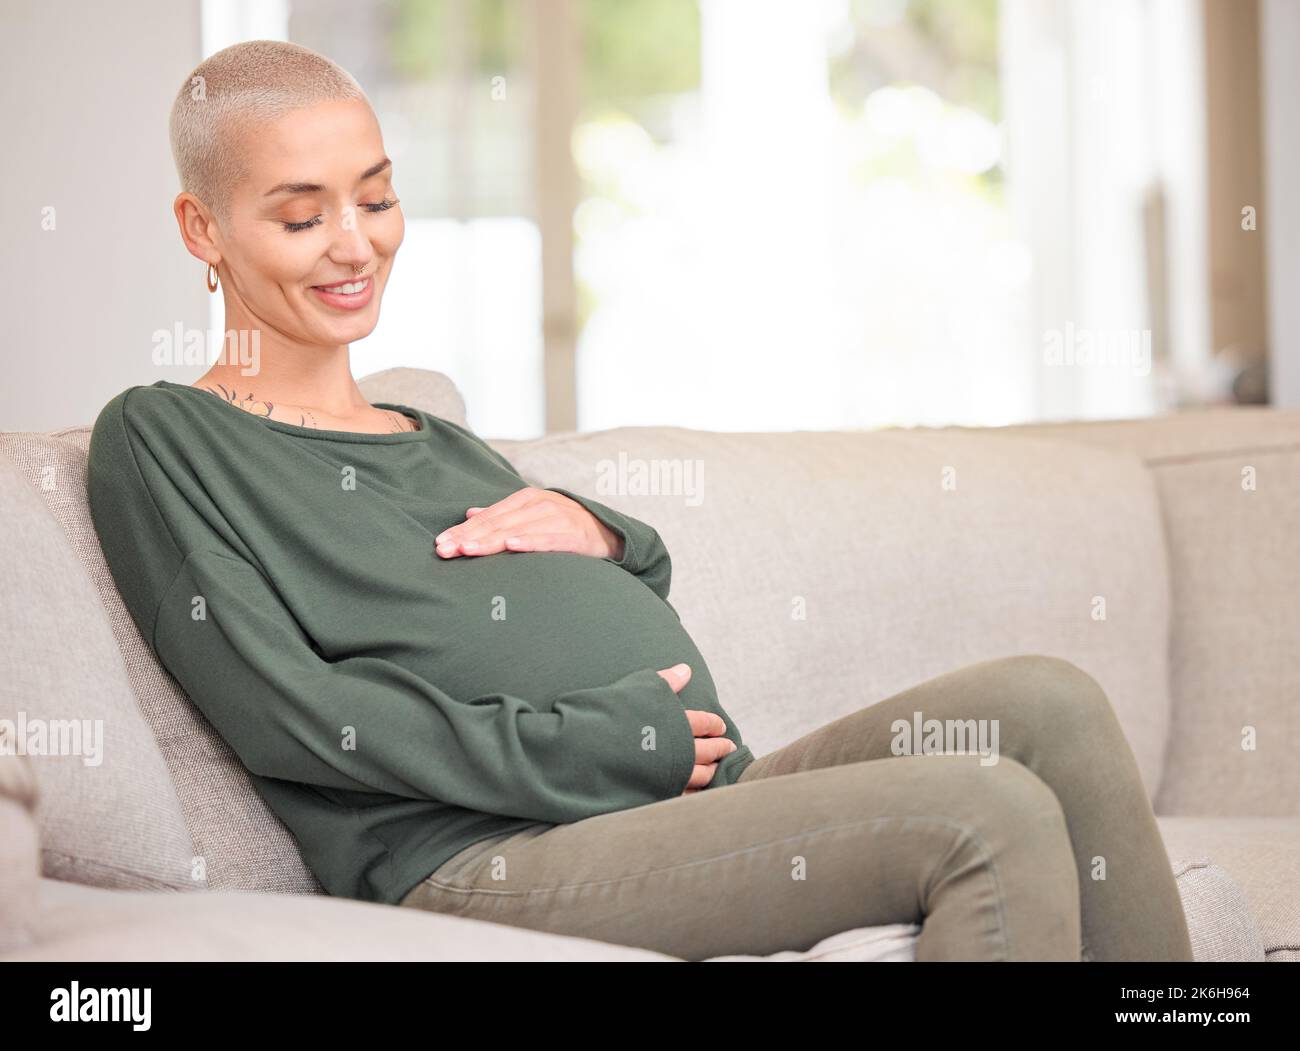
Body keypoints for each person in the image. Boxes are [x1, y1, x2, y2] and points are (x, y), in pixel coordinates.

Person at [86, 40, 1193, 962]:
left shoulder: (438, 437)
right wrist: (603, 741)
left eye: (376, 197)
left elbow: (624, 579)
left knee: (1047, 700)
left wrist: (610, 529)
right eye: (301, 215)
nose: (356, 242)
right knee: (983, 810)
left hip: (693, 795)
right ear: (203, 231)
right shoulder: (167, 439)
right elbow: (294, 718)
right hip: (477, 861)